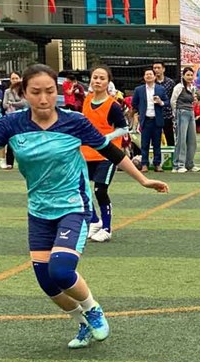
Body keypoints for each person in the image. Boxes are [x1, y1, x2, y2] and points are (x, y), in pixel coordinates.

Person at [0, 64, 168, 349]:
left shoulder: (74, 122)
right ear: (23, 93)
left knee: (60, 270)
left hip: (73, 206)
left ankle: (93, 309)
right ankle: (82, 324)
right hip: (39, 211)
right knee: (47, 282)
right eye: (36, 92)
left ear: (57, 92)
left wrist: (143, 180)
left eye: (50, 91)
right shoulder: (12, 124)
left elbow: (111, 152)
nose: (44, 98)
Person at [82, 65, 130, 243]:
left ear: (108, 82)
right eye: (95, 77)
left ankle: (107, 228)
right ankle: (94, 221)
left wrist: (106, 138)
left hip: (106, 154)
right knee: (81, 188)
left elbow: (124, 128)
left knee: (100, 190)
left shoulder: (113, 105)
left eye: (102, 78)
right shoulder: (87, 100)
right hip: (86, 153)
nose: (98, 81)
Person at [131, 69, 170, 173]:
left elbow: (167, 102)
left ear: (154, 77)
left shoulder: (160, 89)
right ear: (144, 77)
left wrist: (160, 102)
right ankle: (144, 164)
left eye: (150, 74)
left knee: (157, 143)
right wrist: (141, 110)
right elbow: (134, 103)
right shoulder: (139, 90)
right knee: (144, 144)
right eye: (146, 74)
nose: (148, 76)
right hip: (145, 120)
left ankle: (157, 164)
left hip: (157, 120)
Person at [170, 67, 200, 173]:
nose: (190, 77)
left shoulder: (192, 88)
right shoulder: (179, 87)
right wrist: (176, 115)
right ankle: (178, 165)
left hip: (190, 113)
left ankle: (189, 164)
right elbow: (173, 101)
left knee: (192, 140)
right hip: (181, 113)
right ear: (183, 76)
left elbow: (194, 100)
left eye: (191, 75)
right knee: (181, 140)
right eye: (187, 75)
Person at [1, 70, 28, 170]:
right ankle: (9, 163)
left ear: (21, 79)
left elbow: (24, 103)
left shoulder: (24, 90)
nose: (15, 80)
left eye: (16, 78)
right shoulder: (7, 91)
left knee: (24, 140)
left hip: (23, 117)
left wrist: (12, 103)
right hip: (11, 118)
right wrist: (14, 103)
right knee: (10, 140)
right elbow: (4, 105)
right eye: (13, 78)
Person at [153, 61, 176, 146]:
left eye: (158, 68)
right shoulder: (151, 82)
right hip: (154, 114)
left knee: (170, 139)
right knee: (155, 139)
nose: (156, 70)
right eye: (154, 68)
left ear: (163, 69)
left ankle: (172, 154)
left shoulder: (170, 82)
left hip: (167, 115)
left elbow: (172, 99)